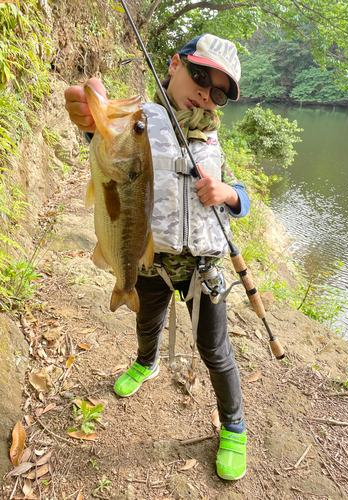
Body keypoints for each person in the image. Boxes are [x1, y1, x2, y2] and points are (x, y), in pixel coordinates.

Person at [65, 33, 250, 481]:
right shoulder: (140, 120)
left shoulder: (211, 138)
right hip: (149, 259)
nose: (206, 91)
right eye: (200, 75)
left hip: (203, 268)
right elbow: (96, 120)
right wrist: (86, 108)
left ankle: (234, 426)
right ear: (174, 64)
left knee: (214, 349)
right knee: (146, 323)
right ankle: (147, 362)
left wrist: (228, 193)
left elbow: (242, 197)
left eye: (219, 90)